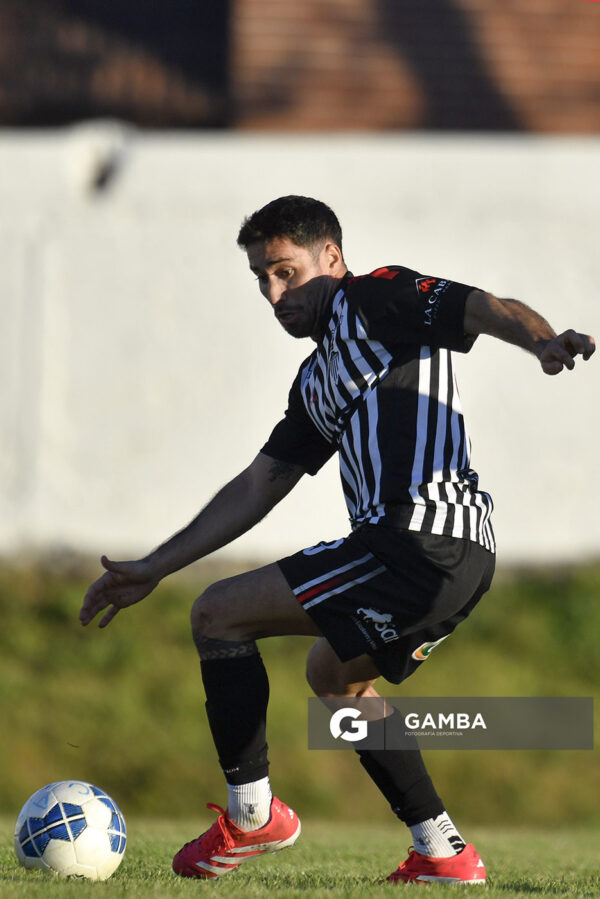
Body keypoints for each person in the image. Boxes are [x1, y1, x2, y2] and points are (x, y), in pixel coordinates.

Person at [79, 196, 595, 885]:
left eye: (286, 273)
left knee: (217, 615)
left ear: (331, 257)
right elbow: (261, 484)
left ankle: (254, 814)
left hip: (418, 538)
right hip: (460, 555)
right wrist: (153, 566)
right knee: (334, 677)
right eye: (261, 279)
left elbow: (481, 306)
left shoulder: (381, 296)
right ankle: (443, 849)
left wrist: (540, 340)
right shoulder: (318, 377)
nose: (273, 294)